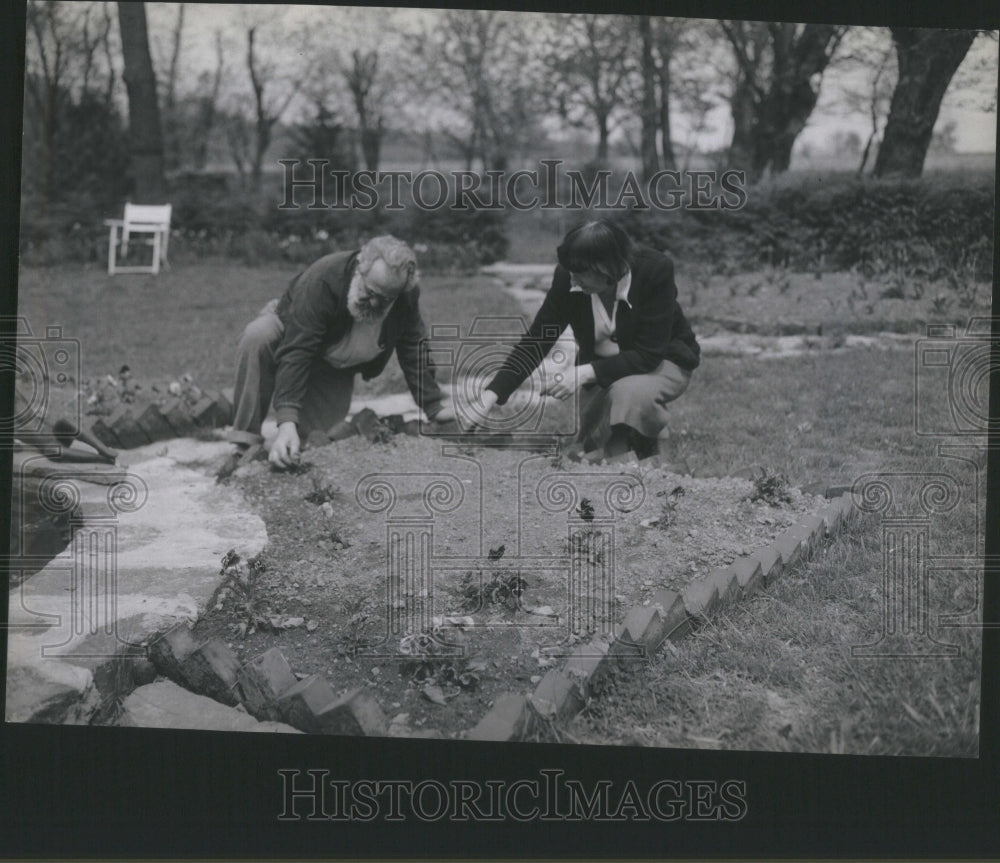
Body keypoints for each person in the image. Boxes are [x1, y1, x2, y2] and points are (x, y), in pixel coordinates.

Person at [222, 235, 454, 474]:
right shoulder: (324, 277)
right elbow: (297, 350)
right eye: (369, 291)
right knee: (258, 335)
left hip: (333, 365)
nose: (374, 303)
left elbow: (413, 347)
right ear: (359, 268)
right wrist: (286, 421)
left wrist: (433, 405)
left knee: (315, 444)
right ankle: (244, 445)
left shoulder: (406, 295)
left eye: (385, 299)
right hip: (291, 335)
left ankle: (291, 435)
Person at [476, 220, 699, 459]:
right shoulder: (568, 278)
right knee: (590, 447)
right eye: (570, 272)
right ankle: (645, 429)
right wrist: (490, 396)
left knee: (626, 408)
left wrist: (582, 373)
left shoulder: (654, 271)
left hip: (661, 362)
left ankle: (647, 447)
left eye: (580, 274)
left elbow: (648, 355)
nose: (572, 280)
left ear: (606, 268)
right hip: (604, 372)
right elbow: (538, 339)